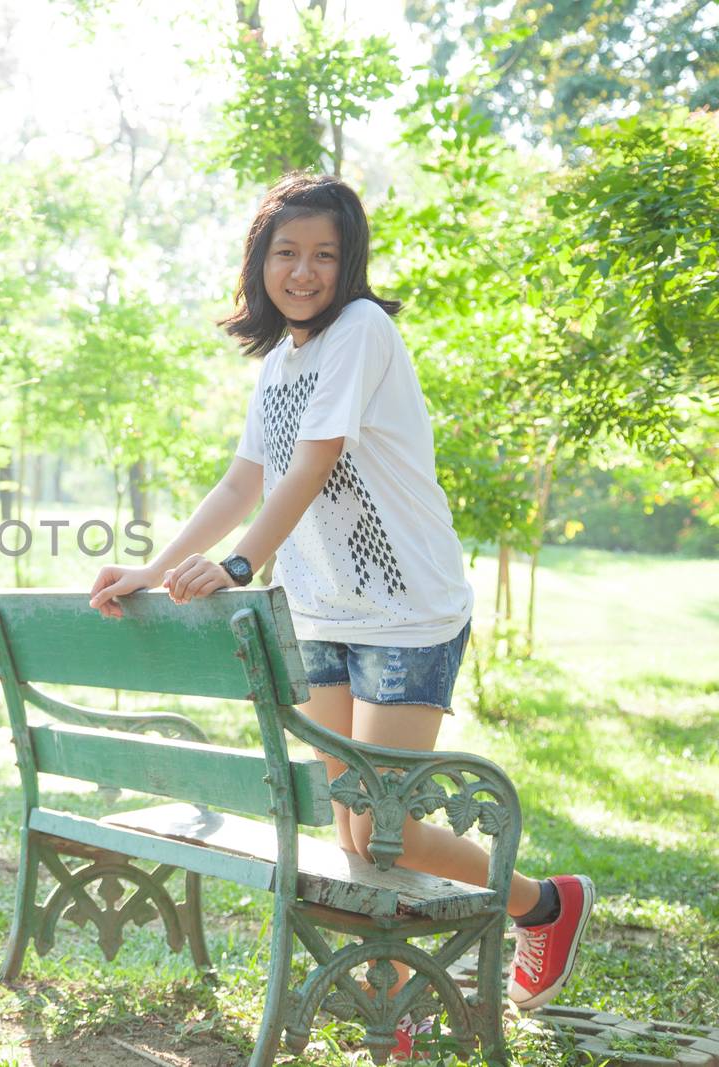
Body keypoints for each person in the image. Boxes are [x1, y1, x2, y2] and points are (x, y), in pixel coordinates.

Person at [86, 173, 592, 1055]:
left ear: (348, 262)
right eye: (287, 253)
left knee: (381, 825)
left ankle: (505, 932)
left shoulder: (362, 332)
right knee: (351, 823)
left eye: (324, 254)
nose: (304, 270)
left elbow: (312, 464)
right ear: (260, 263)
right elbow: (243, 479)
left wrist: (243, 561)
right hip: (322, 611)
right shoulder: (280, 362)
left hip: (406, 612)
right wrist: (151, 568)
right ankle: (473, 950)